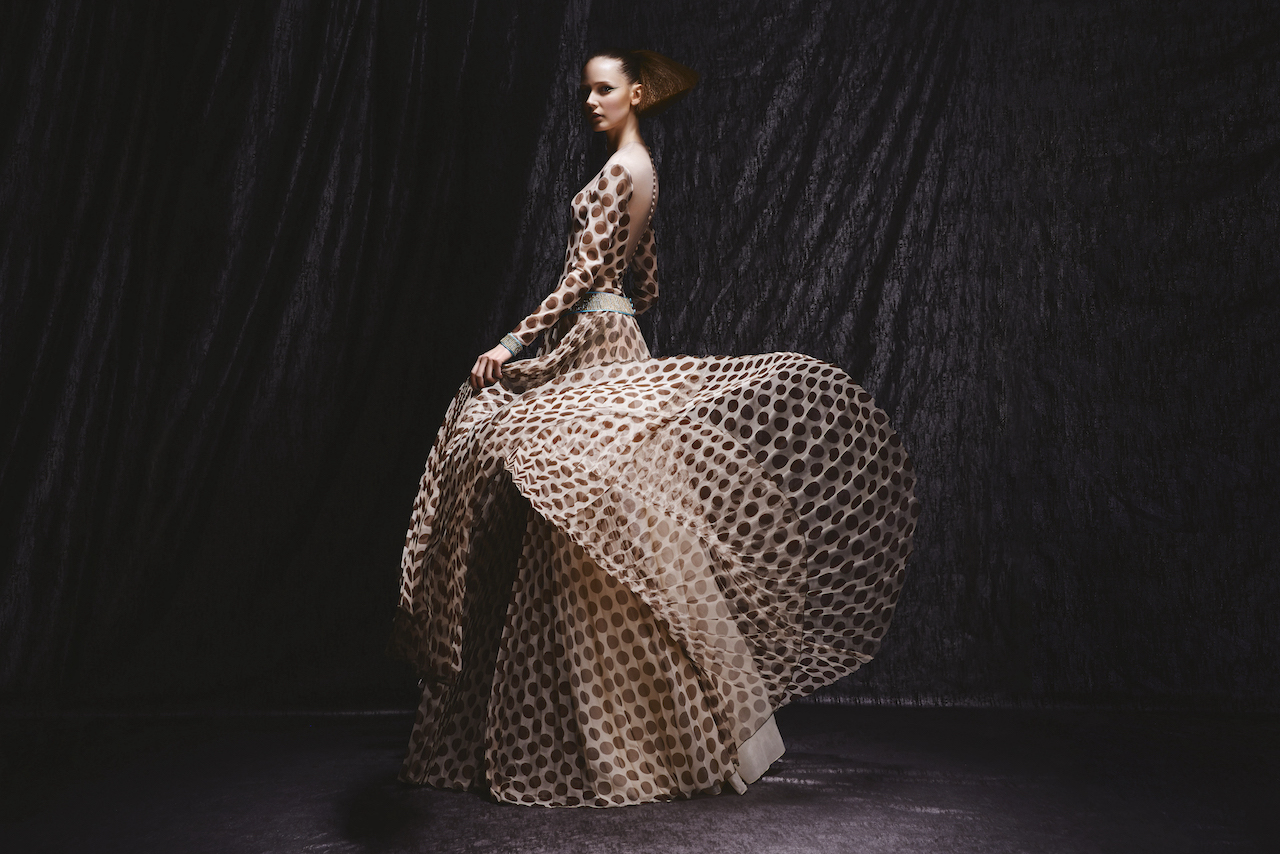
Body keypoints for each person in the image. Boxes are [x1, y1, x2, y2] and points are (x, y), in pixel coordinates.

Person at [390, 48, 919, 808]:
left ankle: (610, 737)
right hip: (621, 340)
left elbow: (580, 278)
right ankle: (638, 726)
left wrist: (511, 342)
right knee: (623, 533)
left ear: (636, 93)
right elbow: (647, 284)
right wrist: (612, 309)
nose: (590, 102)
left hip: (594, 345)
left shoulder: (616, 172)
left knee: (580, 523)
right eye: (586, 91)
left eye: (603, 89)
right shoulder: (648, 172)